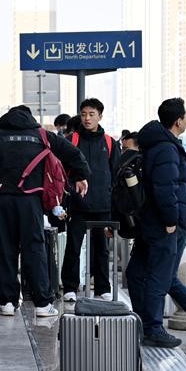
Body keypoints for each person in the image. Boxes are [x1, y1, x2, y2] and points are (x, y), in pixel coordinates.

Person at [0, 105, 90, 317]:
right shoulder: (41, 135)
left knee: (5, 248)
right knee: (34, 248)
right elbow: (72, 152)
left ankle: (7, 302)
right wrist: (81, 175)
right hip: (31, 199)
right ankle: (42, 304)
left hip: (3, 197)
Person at [124, 98, 186, 347]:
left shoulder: (155, 144)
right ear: (178, 121)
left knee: (137, 272)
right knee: (159, 276)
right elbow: (165, 189)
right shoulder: (167, 149)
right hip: (162, 223)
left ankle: (143, 324)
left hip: (150, 220)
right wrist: (171, 221)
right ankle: (153, 328)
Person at [114, 130, 186, 329]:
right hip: (149, 228)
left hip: (170, 226)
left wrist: (171, 222)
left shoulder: (160, 156)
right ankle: (145, 324)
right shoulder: (134, 165)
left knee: (166, 277)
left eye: (127, 148)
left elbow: (167, 192)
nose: (124, 153)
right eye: (122, 149)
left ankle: (151, 326)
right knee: (136, 274)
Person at [61, 98, 121, 302]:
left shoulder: (110, 142)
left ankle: (103, 287)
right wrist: (71, 190)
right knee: (73, 246)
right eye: (84, 114)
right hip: (77, 204)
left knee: (102, 248)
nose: (87, 118)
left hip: (103, 205)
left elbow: (116, 174)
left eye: (91, 114)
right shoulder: (72, 140)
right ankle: (70, 287)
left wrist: (113, 201)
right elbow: (62, 171)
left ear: (100, 117)